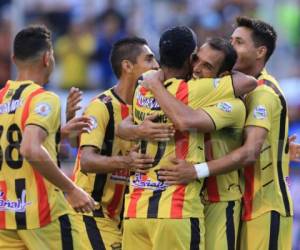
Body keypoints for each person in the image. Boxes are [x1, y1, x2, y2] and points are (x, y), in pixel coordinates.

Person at [158, 17, 294, 250]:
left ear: (260, 51)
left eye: (239, 42)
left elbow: (250, 151)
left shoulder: (263, 92)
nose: (231, 47)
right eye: (231, 40)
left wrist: (195, 171)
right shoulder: (224, 88)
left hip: (264, 206)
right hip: (237, 201)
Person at [122, 26, 256, 250]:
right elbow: (249, 81)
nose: (197, 69)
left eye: (206, 65)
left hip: (144, 209)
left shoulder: (144, 86)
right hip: (176, 206)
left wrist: (133, 127)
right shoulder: (190, 90)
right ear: (189, 58)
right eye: (196, 59)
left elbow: (126, 123)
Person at [0, 25, 95, 249]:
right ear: (47, 58)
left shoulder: (1, 98)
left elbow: (10, 142)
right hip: (43, 215)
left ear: (14, 59)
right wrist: (71, 189)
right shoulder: (44, 98)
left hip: (6, 216)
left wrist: (57, 133)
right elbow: (30, 149)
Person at [71, 37, 163, 249]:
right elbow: (86, 160)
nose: (156, 66)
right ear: (127, 66)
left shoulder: (146, 109)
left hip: (124, 217)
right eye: (149, 59)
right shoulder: (101, 107)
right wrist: (126, 162)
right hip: (92, 213)